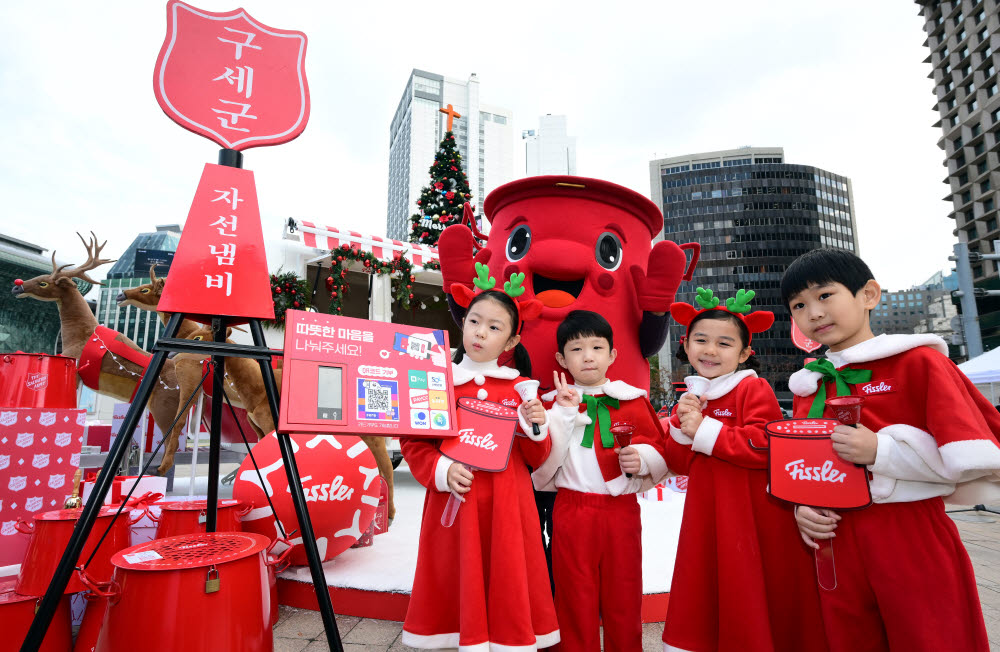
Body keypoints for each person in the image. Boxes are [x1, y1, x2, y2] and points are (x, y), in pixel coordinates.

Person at [783, 248, 1000, 652]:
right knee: (848, 638)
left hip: (910, 531)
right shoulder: (808, 385)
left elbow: (970, 461)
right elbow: (803, 467)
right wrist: (803, 508)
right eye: (799, 304)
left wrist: (880, 451)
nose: (813, 312)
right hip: (835, 540)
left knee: (933, 637)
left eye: (825, 295)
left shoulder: (918, 363)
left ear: (868, 294)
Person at [661, 287, 828, 652]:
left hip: (749, 513)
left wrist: (704, 430)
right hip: (707, 513)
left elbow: (766, 445)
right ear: (686, 346)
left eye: (724, 343)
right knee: (709, 583)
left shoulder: (753, 388)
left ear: (744, 353)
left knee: (745, 584)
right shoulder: (690, 398)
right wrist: (680, 426)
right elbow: (677, 464)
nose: (710, 350)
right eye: (701, 340)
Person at [400, 278, 560, 651]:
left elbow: (538, 458)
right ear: (462, 323)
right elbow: (414, 442)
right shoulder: (439, 382)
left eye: (494, 327)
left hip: (509, 507)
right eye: (474, 321)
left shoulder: (521, 389)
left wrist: (536, 426)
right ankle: (458, 635)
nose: (480, 332)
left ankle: (507, 638)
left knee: (507, 572)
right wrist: (441, 469)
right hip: (455, 503)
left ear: (511, 342)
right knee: (456, 570)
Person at [531, 310, 668, 652]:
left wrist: (643, 458)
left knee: (624, 593)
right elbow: (538, 463)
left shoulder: (633, 400)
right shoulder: (549, 406)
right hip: (571, 510)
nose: (588, 356)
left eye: (597, 347)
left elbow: (659, 450)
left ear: (613, 354)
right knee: (574, 596)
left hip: (620, 511)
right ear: (562, 358)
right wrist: (562, 415)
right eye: (576, 349)